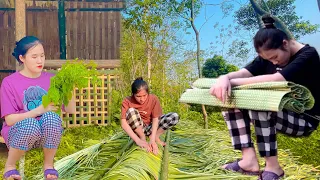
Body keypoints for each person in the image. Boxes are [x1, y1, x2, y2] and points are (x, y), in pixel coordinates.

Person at [210, 15, 320, 180]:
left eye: (275, 57)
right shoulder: (270, 54)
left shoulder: (308, 55)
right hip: (280, 112)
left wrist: (231, 81)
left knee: (259, 101)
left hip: (304, 119)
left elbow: (277, 79)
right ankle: (248, 161)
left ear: (285, 43)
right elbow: (243, 72)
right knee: (228, 96)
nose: (274, 63)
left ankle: (274, 168)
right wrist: (224, 78)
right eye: (268, 60)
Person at [1, 36, 76, 180]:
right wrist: (39, 110)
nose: (40, 61)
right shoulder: (9, 82)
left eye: (42, 55)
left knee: (52, 118)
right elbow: (9, 120)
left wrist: (69, 88)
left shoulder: (52, 79)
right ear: (22, 58)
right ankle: (10, 166)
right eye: (34, 56)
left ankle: (49, 165)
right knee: (31, 124)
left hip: (45, 135)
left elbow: (70, 110)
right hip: (19, 133)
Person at [121, 77, 179, 155]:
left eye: (145, 95)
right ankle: (142, 137)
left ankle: (155, 137)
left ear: (148, 93)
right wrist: (138, 140)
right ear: (133, 94)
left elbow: (156, 119)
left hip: (151, 127)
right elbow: (123, 123)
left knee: (174, 116)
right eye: (138, 96)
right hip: (139, 128)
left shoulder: (153, 99)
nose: (142, 99)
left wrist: (152, 139)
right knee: (131, 111)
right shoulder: (127, 101)